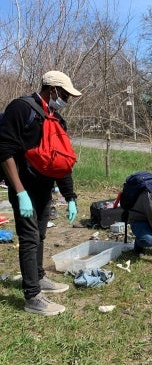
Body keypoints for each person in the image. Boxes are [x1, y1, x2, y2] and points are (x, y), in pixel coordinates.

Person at [0, 70, 82, 316]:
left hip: (45, 188)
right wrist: (20, 191)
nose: (66, 100)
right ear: (53, 89)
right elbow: (4, 150)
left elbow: (62, 161)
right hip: (23, 187)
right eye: (65, 95)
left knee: (40, 235)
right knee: (28, 237)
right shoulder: (20, 109)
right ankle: (32, 296)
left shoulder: (55, 117)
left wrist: (70, 197)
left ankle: (38, 276)